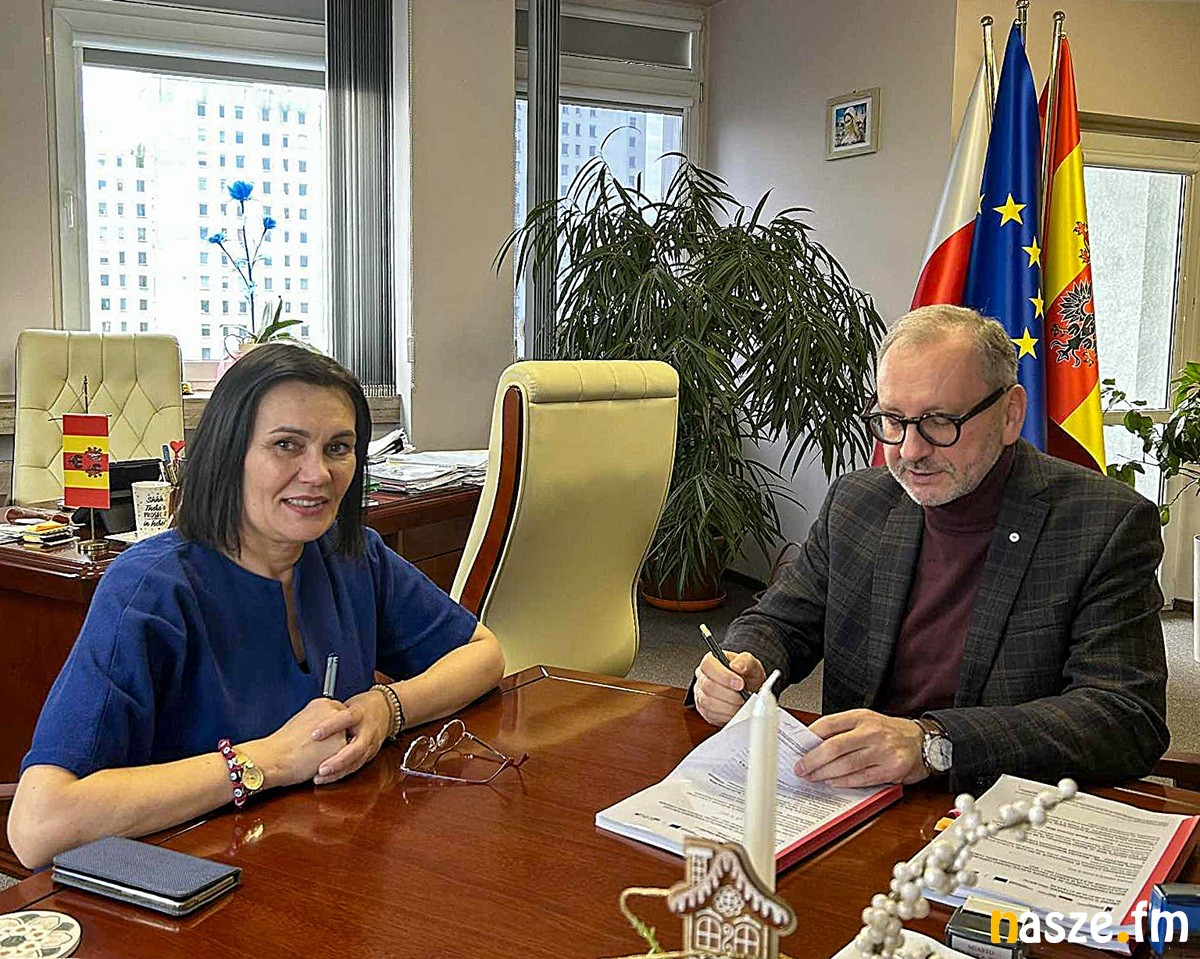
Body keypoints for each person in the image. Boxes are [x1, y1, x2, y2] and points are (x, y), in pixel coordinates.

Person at [8, 344, 505, 869]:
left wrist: (386, 707)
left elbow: (484, 654)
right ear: (229, 454)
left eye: (338, 447)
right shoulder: (150, 590)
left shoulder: (350, 554)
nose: (318, 473)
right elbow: (39, 826)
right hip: (197, 884)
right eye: (286, 445)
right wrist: (268, 760)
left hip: (331, 869)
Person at [693, 305, 1169, 791]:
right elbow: (781, 621)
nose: (910, 450)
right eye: (892, 420)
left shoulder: (1104, 524)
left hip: (1001, 805)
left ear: (1010, 414)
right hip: (851, 798)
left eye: (940, 422)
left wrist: (933, 743)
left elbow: (1126, 717)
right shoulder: (857, 502)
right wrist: (743, 663)